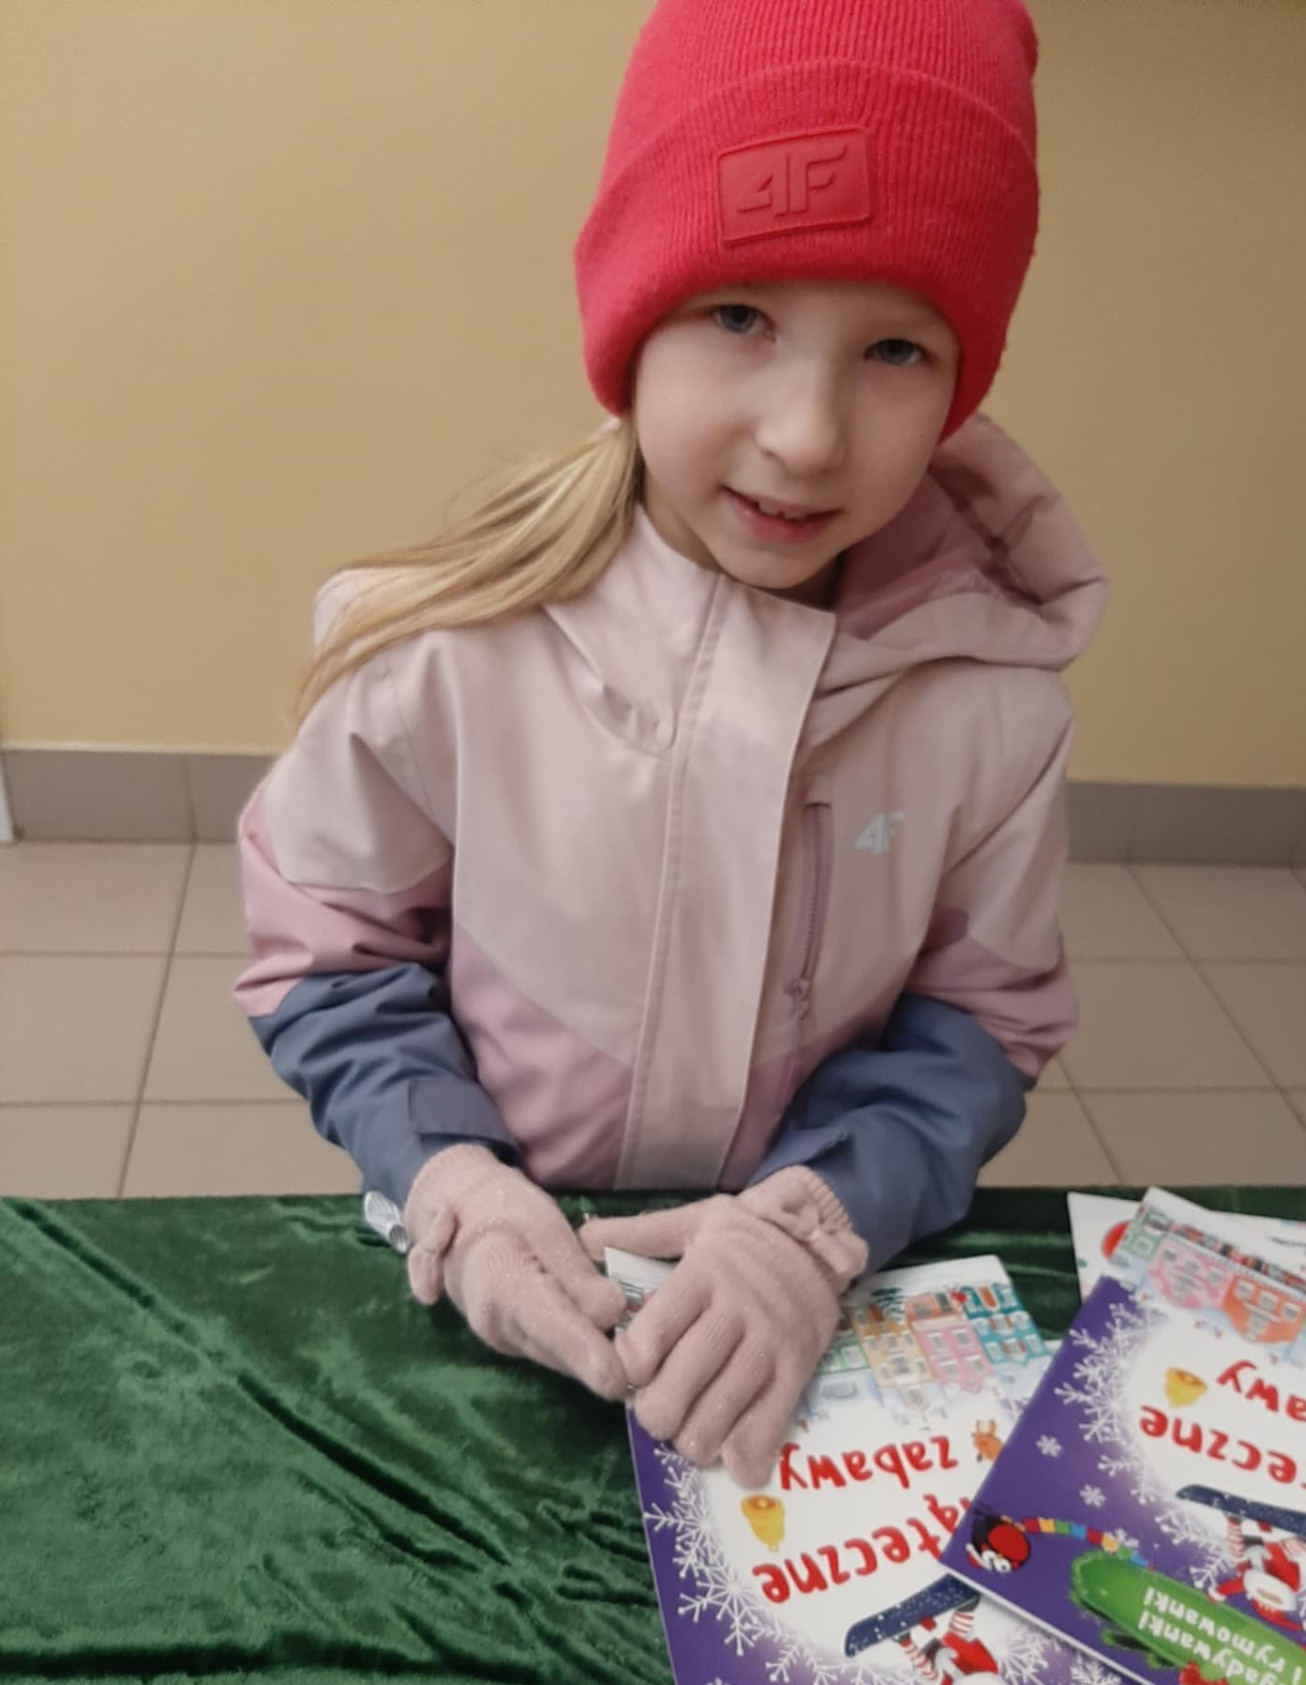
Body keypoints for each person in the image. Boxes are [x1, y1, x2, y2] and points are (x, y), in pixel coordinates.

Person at [234, 0, 1107, 1489]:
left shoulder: (995, 706)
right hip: (509, 1293)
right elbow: (335, 960)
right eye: (740, 317)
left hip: (801, 1323)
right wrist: (453, 1180)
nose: (808, 434)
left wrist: (816, 1222)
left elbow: (980, 1018)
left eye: (896, 347)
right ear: (629, 321)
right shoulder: (437, 652)